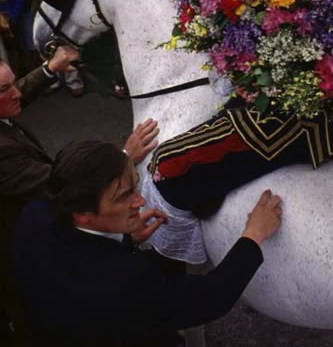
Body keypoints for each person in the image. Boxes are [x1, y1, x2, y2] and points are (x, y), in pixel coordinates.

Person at [13, 139, 281, 346]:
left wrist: (125, 238)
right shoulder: (125, 282)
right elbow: (211, 297)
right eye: (123, 196)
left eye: (135, 186)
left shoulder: (35, 214)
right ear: (83, 214)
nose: (140, 202)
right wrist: (253, 234)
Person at [0, 46, 159, 345]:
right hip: (19, 243)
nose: (16, 93)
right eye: (5, 90)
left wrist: (51, 67)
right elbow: (60, 184)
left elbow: (17, 91)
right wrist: (124, 155)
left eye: (12, 83)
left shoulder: (7, 99)